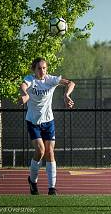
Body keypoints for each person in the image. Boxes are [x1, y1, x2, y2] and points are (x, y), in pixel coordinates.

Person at [19, 57, 75, 195]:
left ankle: (52, 188)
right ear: (34, 69)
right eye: (39, 68)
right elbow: (23, 86)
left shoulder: (51, 79)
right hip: (33, 121)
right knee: (40, 150)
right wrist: (25, 95)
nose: (42, 71)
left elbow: (71, 83)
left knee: (50, 152)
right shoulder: (30, 79)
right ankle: (33, 181)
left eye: (44, 68)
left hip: (48, 121)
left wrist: (66, 95)